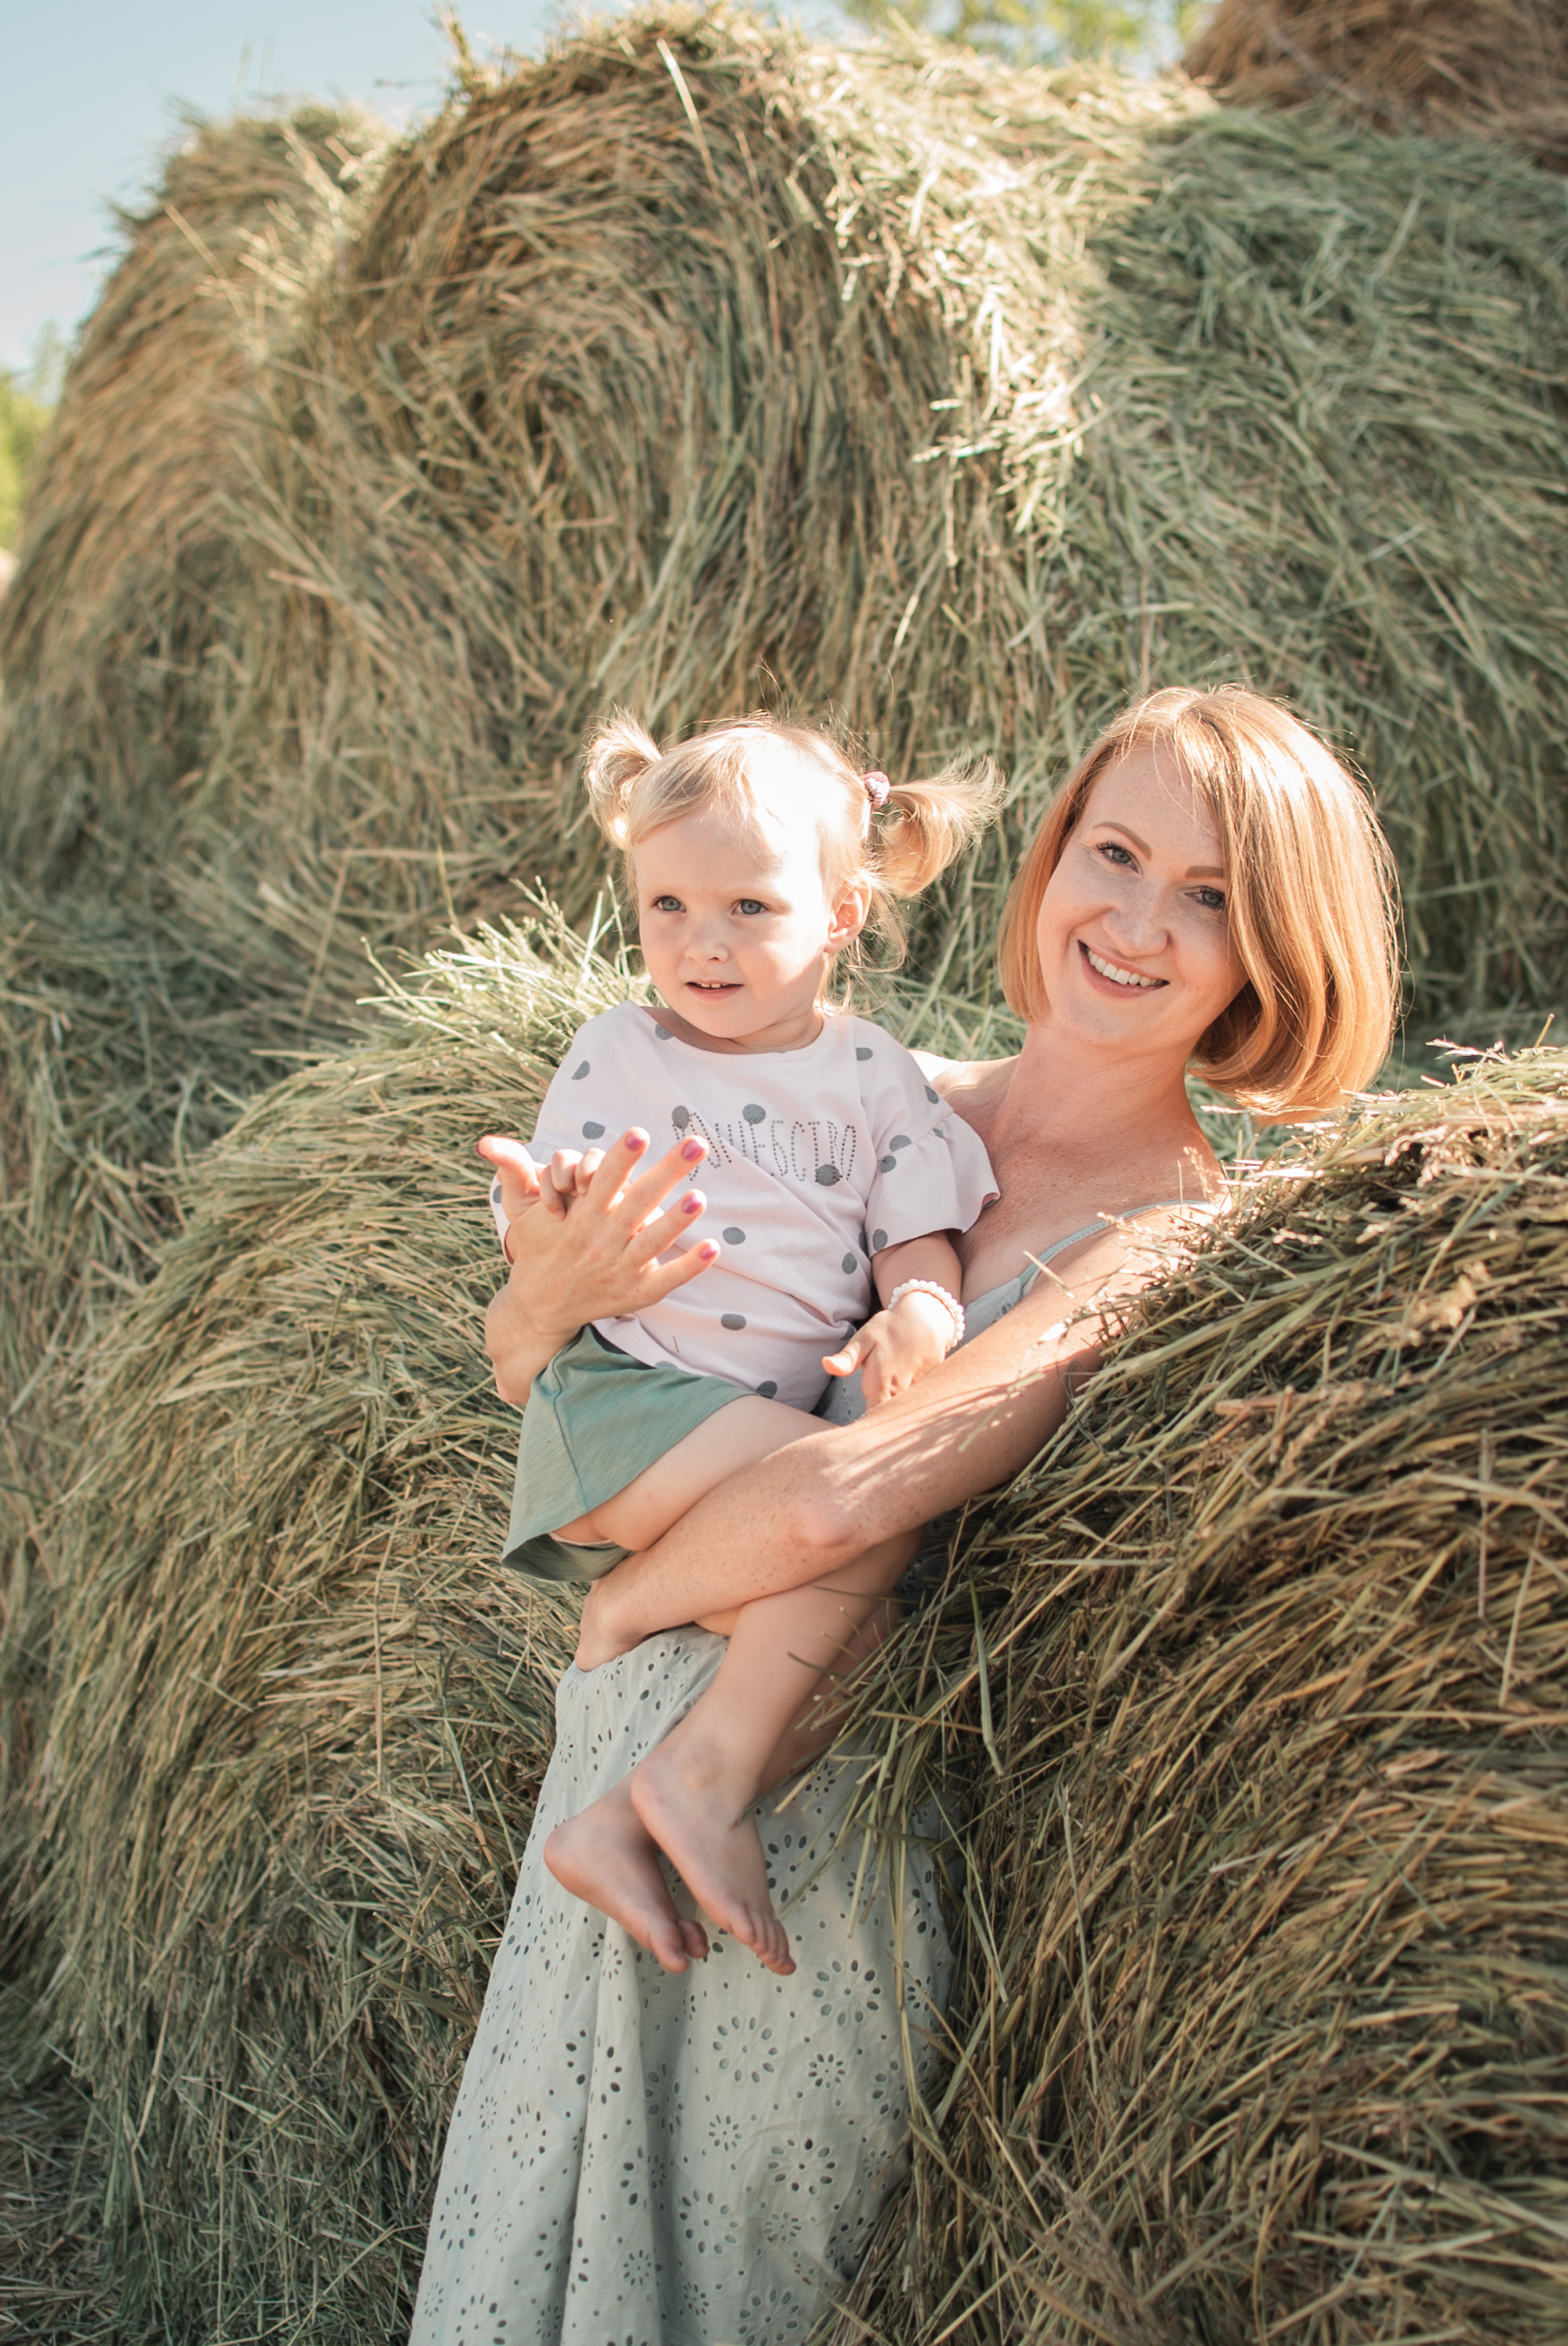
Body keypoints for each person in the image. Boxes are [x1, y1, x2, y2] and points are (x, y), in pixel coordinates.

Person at [410, 686, 1399, 2346]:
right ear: (1051, 856)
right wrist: (537, 1311)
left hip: (804, 1843)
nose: (1139, 920)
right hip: (617, 1793)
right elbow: (555, 1375)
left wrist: (621, 1603)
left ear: (1273, 958)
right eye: (1117, 851)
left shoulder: (1163, 1236)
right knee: (541, 2248)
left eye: (1214, 895)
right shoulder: (868, 1090)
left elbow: (853, 1491)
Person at [482, 712, 1002, 1975]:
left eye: (748, 908)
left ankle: (638, 1816)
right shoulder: (623, 1048)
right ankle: (698, 1793)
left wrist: (923, 1309)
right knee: (872, 1508)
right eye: (666, 905)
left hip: (748, 1440)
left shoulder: (878, 1078)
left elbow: (915, 1230)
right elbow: (550, 1209)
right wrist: (543, 1200)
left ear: (840, 917)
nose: (699, 943)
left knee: (860, 1614)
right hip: (629, 1404)